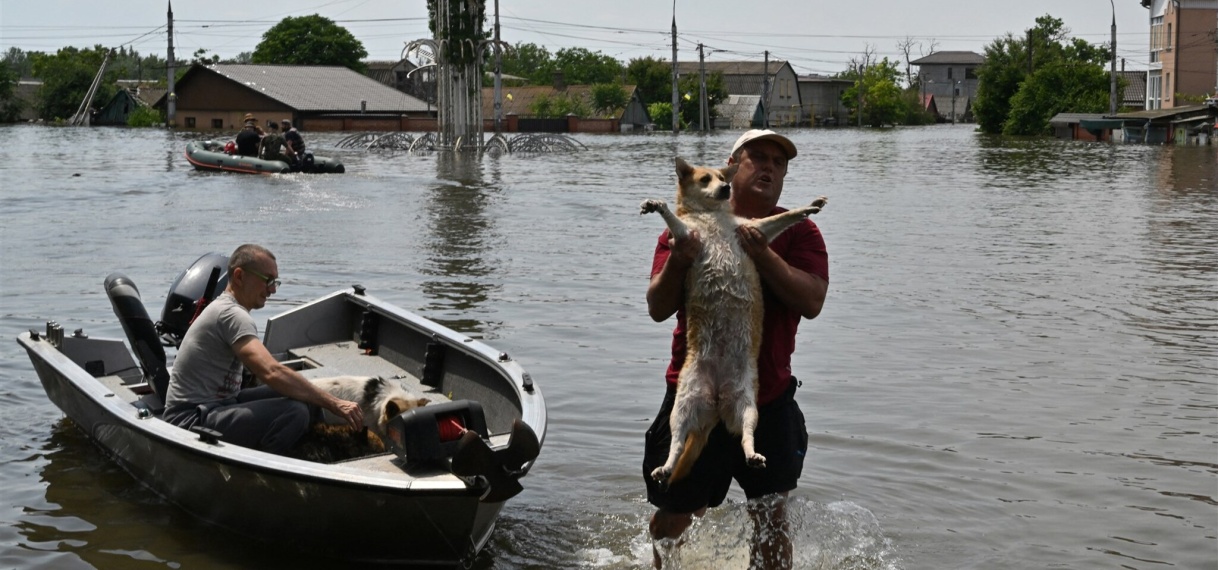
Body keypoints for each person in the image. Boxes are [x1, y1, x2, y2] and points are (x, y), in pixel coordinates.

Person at [643, 129, 829, 569]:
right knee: (675, 516)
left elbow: (813, 301)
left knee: (771, 516)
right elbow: (657, 306)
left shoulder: (801, 230)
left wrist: (762, 253)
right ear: (731, 166)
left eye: (778, 163)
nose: (768, 167)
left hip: (765, 395)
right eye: (757, 158)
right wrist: (680, 258)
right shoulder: (689, 226)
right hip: (696, 388)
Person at [162, 244, 363, 455]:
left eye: (275, 282)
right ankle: (268, 470)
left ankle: (317, 449)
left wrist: (319, 398)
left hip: (221, 403)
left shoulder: (229, 310)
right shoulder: (231, 314)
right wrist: (335, 403)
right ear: (239, 276)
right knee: (293, 413)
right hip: (189, 419)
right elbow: (271, 372)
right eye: (267, 280)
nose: (273, 289)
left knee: (307, 397)